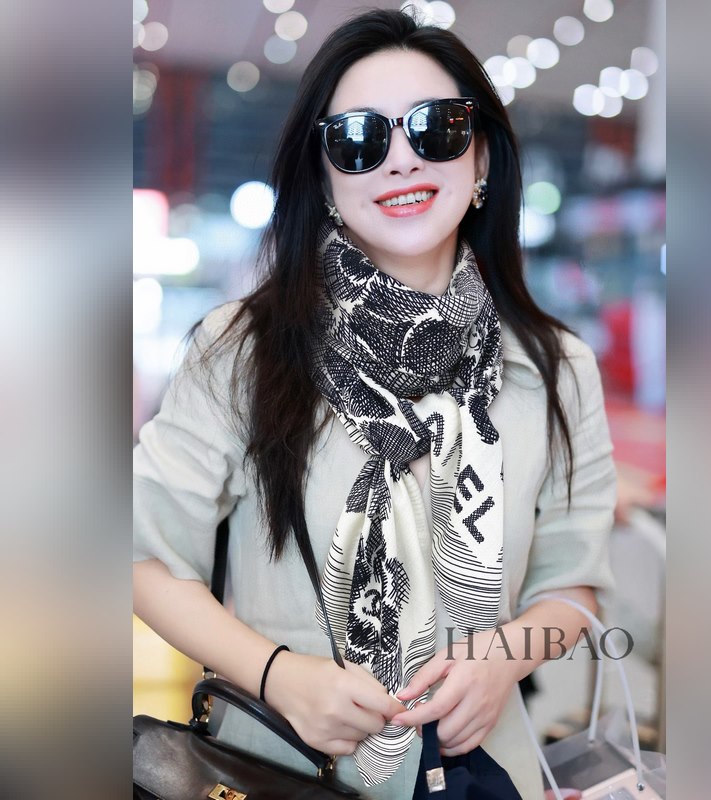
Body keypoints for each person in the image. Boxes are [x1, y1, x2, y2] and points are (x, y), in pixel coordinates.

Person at [133, 9, 616, 799]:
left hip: (483, 772)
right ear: (325, 178)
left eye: (436, 128)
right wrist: (279, 676)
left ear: (481, 157)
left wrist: (502, 661)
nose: (401, 160)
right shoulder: (242, 349)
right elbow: (144, 558)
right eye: (359, 140)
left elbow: (573, 584)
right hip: (282, 769)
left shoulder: (555, 368)